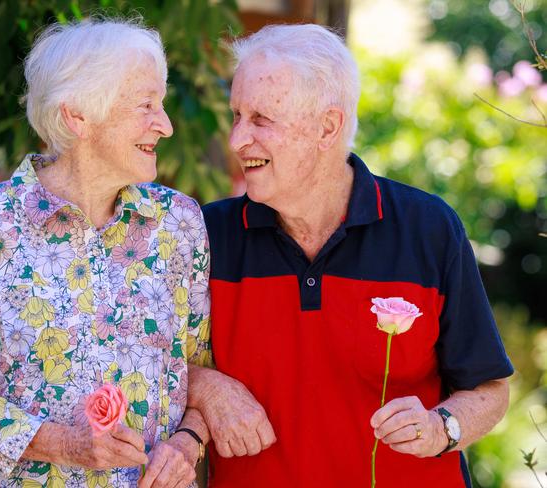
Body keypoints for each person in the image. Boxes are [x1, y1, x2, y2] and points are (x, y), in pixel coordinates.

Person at [188, 24, 514, 487]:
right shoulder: (206, 234)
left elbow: (489, 388)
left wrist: (442, 428)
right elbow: (145, 358)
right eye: (236, 115)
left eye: (260, 119)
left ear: (328, 127)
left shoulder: (428, 228)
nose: (238, 139)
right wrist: (208, 387)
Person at [0, 18, 212, 488]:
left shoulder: (178, 224)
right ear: (78, 117)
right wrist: (66, 444)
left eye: (162, 104)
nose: (167, 125)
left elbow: (199, 370)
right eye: (145, 106)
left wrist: (188, 443)